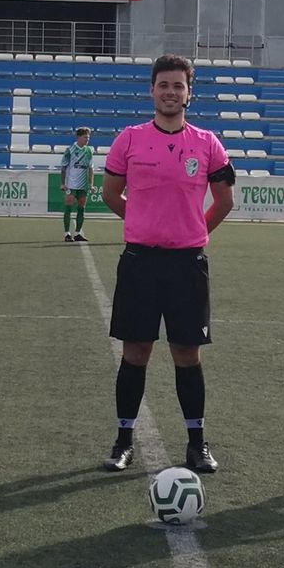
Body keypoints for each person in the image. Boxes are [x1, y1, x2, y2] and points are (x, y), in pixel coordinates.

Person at [100, 54, 235, 473]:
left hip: (186, 264)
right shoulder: (130, 139)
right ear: (151, 90)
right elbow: (109, 194)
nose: (170, 92)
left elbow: (225, 200)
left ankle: (197, 445)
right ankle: (123, 441)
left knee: (187, 354)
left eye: (179, 86)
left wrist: (194, 229)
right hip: (140, 262)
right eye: (164, 85)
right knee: (135, 351)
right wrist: (144, 223)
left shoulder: (208, 143)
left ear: (189, 93)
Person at [60, 126, 94, 242]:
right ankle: (67, 233)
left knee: (81, 208)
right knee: (68, 208)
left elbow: (90, 168)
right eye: (85, 137)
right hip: (71, 184)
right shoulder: (70, 150)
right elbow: (63, 167)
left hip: (83, 185)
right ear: (79, 137)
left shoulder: (89, 151)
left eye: (88, 137)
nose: (87, 139)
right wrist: (62, 183)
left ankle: (78, 232)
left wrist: (91, 184)